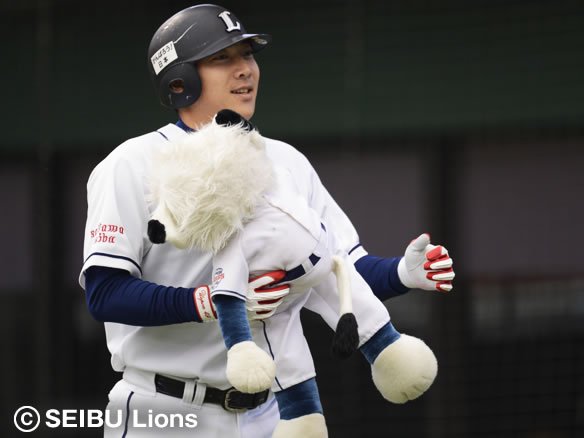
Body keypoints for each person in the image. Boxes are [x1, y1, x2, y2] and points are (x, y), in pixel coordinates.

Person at [79, 4, 455, 438]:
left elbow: (335, 269)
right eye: (222, 58)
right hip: (165, 407)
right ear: (179, 81)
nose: (245, 69)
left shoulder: (285, 160)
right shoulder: (132, 163)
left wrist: (402, 273)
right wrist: (209, 302)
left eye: (247, 55)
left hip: (271, 413)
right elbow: (105, 293)